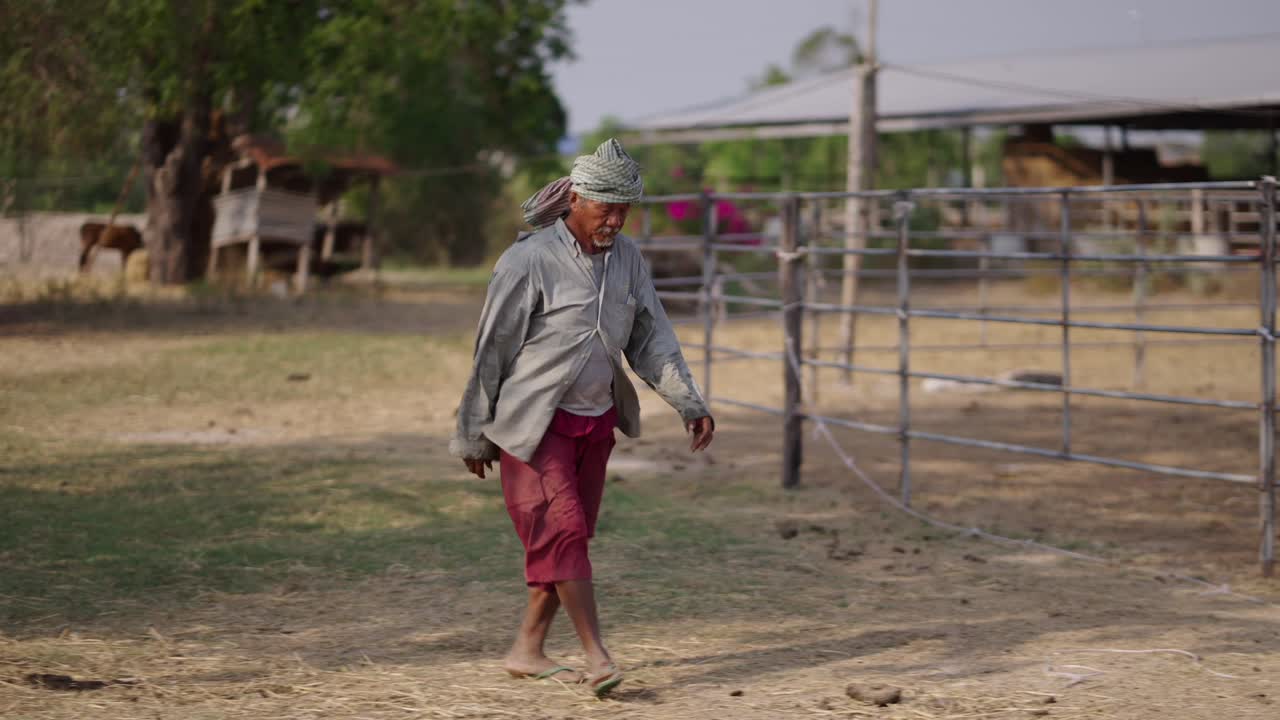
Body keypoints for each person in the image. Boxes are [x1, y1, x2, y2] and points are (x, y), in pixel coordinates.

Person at [450, 138, 715, 697]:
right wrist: (473, 433)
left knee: (567, 538)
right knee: (562, 530)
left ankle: (527, 648)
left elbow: (652, 337)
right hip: (534, 424)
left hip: (595, 422)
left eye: (625, 209)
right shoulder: (529, 260)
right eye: (605, 207)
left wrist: (688, 402)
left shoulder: (629, 260)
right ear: (575, 197)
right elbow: (491, 350)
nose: (615, 220)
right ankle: (598, 658)